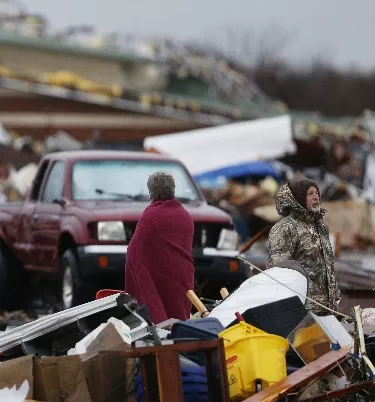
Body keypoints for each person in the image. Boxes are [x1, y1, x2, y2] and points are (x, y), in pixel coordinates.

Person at [124, 171, 195, 324]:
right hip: (181, 275)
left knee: (160, 314)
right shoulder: (184, 215)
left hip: (156, 276)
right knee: (179, 315)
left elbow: (134, 251)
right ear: (173, 190)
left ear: (151, 192)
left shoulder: (150, 215)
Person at [267, 178, 340, 315]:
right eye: (310, 194)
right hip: (304, 310)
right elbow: (280, 270)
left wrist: (335, 295)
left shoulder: (320, 226)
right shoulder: (285, 228)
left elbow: (327, 265)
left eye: (317, 193)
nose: (316, 197)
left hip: (327, 309)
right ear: (298, 199)